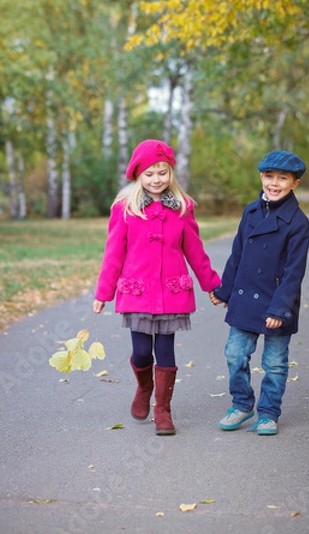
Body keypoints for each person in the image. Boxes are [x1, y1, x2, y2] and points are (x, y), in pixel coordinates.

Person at [93, 139, 221, 435]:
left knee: (165, 352)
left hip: (171, 292)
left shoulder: (182, 208)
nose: (156, 180)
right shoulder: (126, 209)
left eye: (162, 172)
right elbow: (113, 254)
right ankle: (144, 387)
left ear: (170, 173)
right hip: (137, 291)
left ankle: (163, 410)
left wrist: (212, 285)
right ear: (139, 175)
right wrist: (103, 293)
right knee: (141, 352)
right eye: (150, 174)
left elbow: (195, 251)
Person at [210, 150, 309, 435]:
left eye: (283, 178)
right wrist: (225, 290)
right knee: (234, 353)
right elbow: (237, 254)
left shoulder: (299, 223)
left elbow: (294, 272)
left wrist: (280, 309)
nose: (274, 183)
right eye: (269, 176)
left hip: (279, 301)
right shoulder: (251, 212)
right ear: (261, 177)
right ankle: (242, 404)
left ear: (295, 183)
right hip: (245, 297)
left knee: (275, 363)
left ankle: (268, 413)